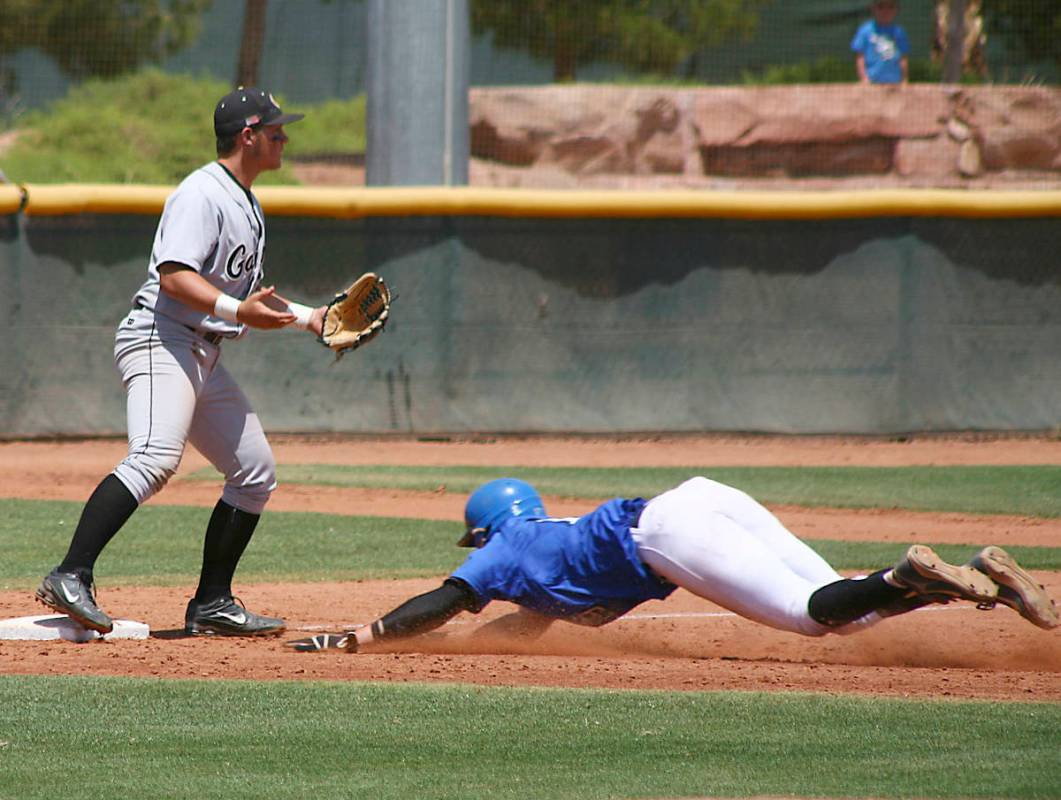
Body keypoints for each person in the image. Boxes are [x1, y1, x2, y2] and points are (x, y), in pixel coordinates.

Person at [36, 87, 327, 637]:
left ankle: (212, 603)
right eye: (275, 130)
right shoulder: (202, 194)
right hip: (161, 336)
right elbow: (175, 275)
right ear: (248, 135)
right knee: (154, 458)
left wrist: (312, 318)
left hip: (202, 351)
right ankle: (70, 574)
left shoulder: (245, 199)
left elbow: (245, 300)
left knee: (254, 472)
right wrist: (235, 308)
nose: (284, 137)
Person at [288, 476, 1059, 653]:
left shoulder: (503, 551)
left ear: (484, 531)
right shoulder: (543, 551)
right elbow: (525, 626)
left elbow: (442, 599)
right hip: (702, 495)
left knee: (806, 618)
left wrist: (362, 636)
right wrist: (471, 645)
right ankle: (973, 575)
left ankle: (903, 576)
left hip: (662, 535)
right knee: (836, 602)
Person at [852, 0, 910, 85]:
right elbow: (860, 57)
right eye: (880, 7)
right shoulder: (865, 31)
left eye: (891, 7)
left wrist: (904, 79)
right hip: (872, 82)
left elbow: (903, 58)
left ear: (896, 10)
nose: (885, 11)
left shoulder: (899, 32)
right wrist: (864, 78)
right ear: (873, 8)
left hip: (895, 83)